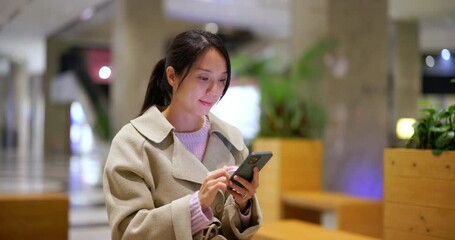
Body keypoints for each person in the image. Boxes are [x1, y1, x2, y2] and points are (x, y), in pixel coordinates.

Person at [103, 29, 262, 240]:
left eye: (222, 80)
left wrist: (243, 205)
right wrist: (196, 205)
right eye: (204, 78)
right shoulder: (132, 143)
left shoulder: (231, 139)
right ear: (172, 76)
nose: (214, 90)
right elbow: (128, 231)